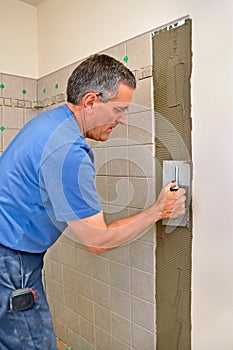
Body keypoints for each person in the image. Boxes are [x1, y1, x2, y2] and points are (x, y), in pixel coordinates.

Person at [0, 54, 186, 349]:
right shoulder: (68, 151)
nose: (122, 119)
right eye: (119, 109)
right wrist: (158, 211)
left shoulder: (50, 122)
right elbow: (97, 240)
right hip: (10, 260)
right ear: (90, 102)